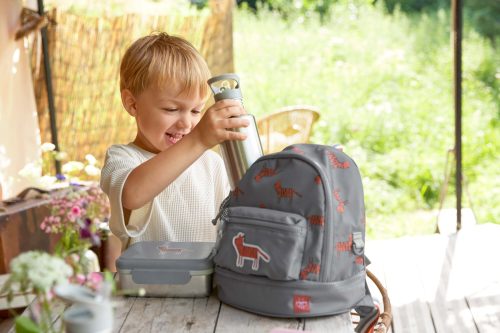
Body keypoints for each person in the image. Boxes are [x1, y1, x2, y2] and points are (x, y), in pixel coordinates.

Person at [100, 32, 248, 266]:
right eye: (171, 109)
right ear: (132, 104)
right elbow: (133, 195)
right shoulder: (122, 158)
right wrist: (199, 139)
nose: (186, 124)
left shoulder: (212, 164)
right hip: (147, 293)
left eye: (196, 111)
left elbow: (233, 227)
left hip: (205, 291)